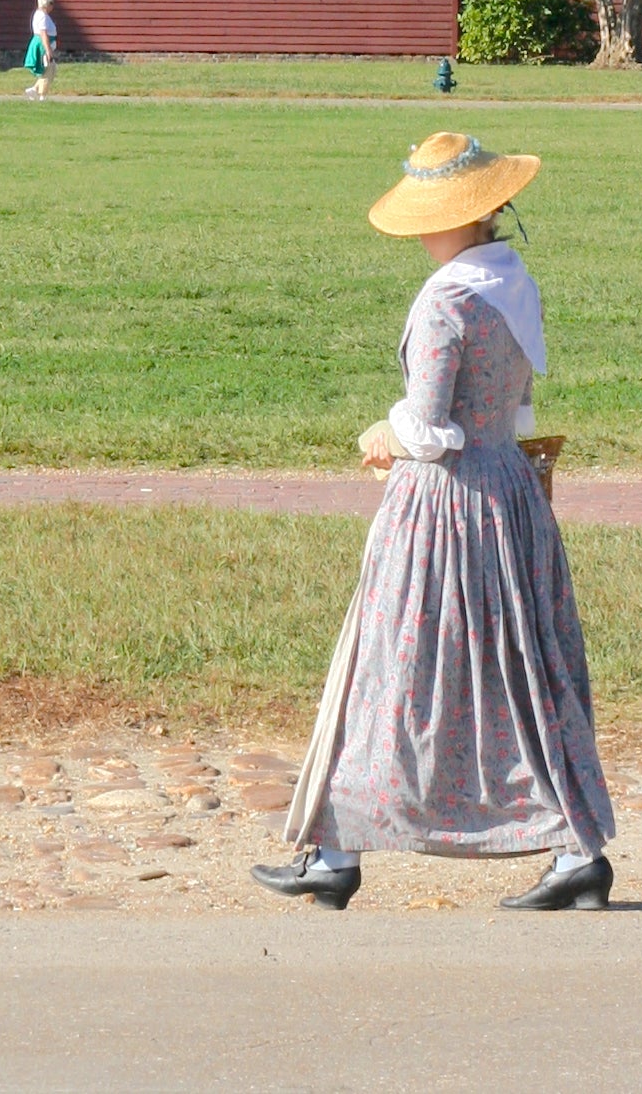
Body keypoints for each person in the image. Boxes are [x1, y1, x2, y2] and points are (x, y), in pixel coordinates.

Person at [252, 131, 616, 913]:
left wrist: (383, 434)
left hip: (444, 505)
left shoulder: (447, 300)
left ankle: (335, 852)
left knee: (393, 667)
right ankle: (575, 852)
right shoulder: (512, 281)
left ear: (445, 217)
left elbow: (426, 426)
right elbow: (515, 410)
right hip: (508, 492)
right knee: (520, 673)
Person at [23, 0, 57, 99]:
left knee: (49, 70)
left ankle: (34, 89)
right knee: (48, 71)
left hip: (43, 43)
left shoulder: (40, 14)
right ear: (46, 4)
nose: (53, 6)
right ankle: (42, 95)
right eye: (51, 3)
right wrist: (48, 50)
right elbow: (43, 33)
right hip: (43, 45)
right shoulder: (42, 16)